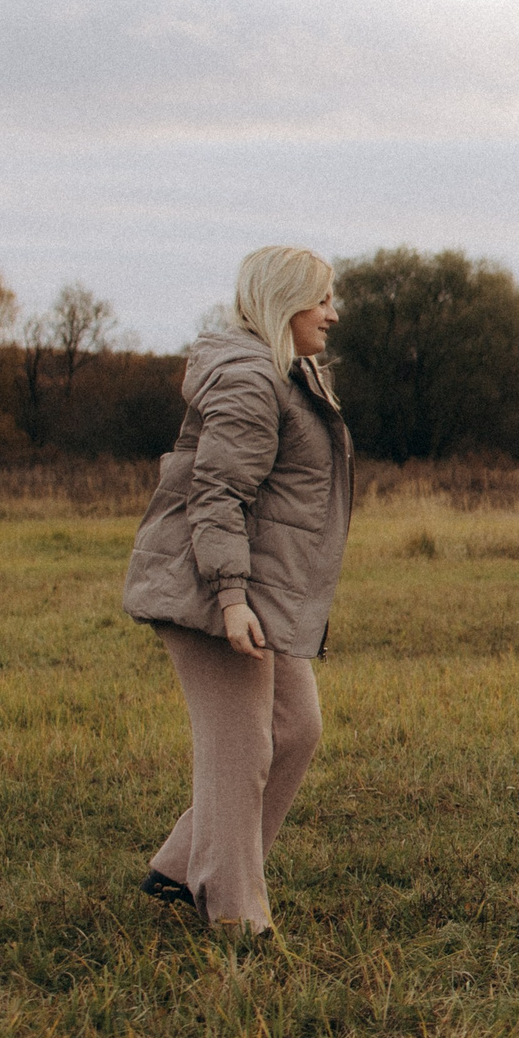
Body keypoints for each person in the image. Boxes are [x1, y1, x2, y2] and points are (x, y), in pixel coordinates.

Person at [122, 246, 352, 934]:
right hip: (212, 590)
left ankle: (181, 862)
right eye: (322, 300)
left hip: (256, 591)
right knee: (240, 746)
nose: (333, 314)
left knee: (297, 728)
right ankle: (234, 916)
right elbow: (216, 496)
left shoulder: (290, 372)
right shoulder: (253, 378)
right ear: (286, 301)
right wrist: (229, 598)